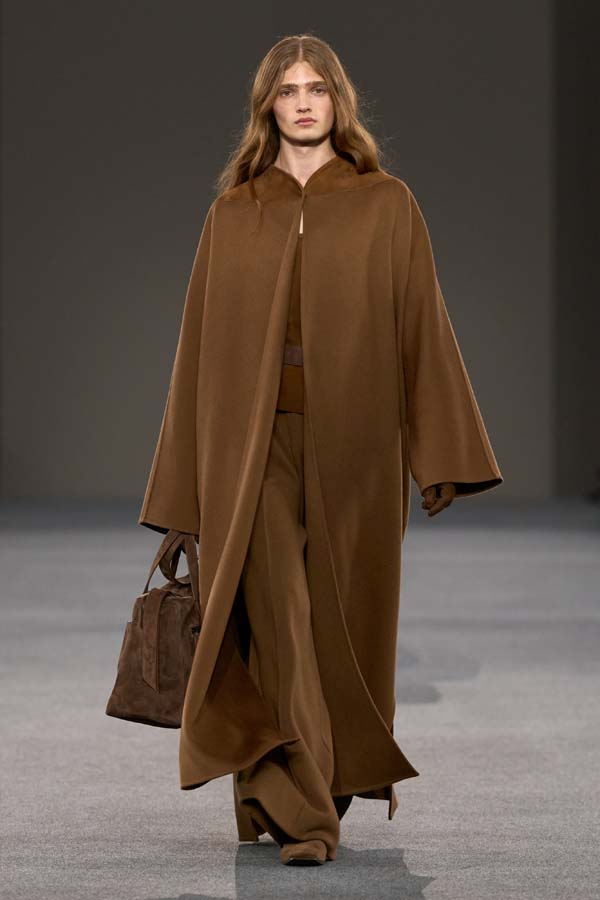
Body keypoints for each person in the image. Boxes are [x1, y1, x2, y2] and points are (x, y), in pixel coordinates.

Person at [138, 34, 503, 867]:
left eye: (316, 89)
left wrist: (439, 452)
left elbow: (420, 323)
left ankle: (299, 789)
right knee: (279, 621)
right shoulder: (235, 212)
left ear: (339, 100)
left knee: (346, 626)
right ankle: (306, 818)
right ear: (267, 106)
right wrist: (183, 494)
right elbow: (198, 357)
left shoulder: (386, 204)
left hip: (360, 447)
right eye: (287, 90)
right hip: (254, 450)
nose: (303, 103)